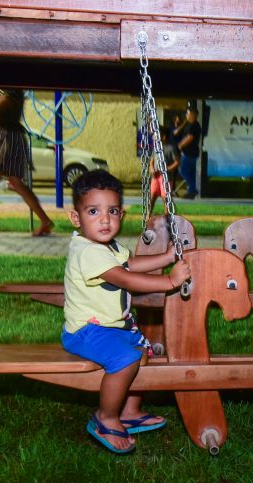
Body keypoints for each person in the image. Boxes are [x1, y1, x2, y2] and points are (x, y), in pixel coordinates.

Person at [61, 170, 191, 454]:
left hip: (108, 328)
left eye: (113, 211)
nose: (105, 219)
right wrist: (169, 281)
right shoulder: (88, 251)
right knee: (125, 358)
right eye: (93, 211)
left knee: (141, 351)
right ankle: (105, 417)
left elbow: (131, 264)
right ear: (76, 218)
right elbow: (126, 279)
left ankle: (129, 411)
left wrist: (167, 258)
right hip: (85, 331)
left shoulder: (106, 246)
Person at [0, 88, 54, 239]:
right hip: (4, 138)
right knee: (15, 182)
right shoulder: (6, 89)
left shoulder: (10, 90)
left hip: (6, 139)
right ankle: (45, 221)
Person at [148, 126, 180, 214]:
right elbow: (152, 161)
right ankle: (147, 218)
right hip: (155, 177)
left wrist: (167, 169)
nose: (154, 137)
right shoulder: (155, 148)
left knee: (165, 198)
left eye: (156, 135)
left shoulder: (171, 148)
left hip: (166, 178)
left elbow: (177, 162)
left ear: (163, 137)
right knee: (152, 197)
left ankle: (168, 218)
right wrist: (151, 168)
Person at [173, 101, 202, 199]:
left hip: (189, 153)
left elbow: (190, 137)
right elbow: (176, 132)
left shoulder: (195, 126)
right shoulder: (188, 124)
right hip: (189, 153)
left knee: (183, 170)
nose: (186, 115)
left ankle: (193, 189)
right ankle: (191, 191)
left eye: (188, 113)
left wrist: (181, 144)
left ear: (193, 114)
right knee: (190, 173)